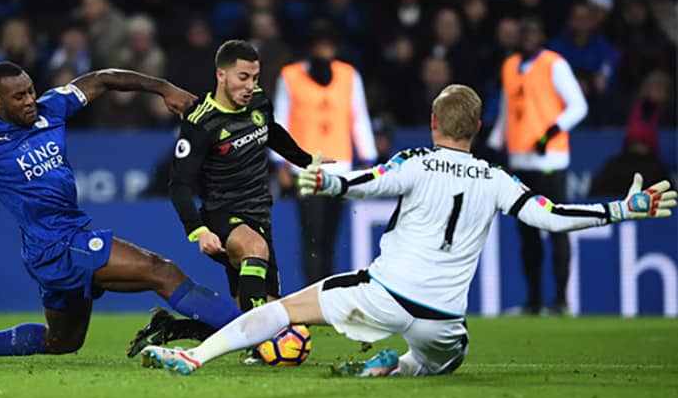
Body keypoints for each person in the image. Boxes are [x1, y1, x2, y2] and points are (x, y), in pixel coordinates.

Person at [137, 84, 676, 377]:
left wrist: (325, 180)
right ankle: (394, 368)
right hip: (444, 322)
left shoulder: (416, 162)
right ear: (478, 128)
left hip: (384, 297)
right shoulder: (497, 178)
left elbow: (364, 184)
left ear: (434, 123)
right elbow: (551, 216)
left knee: (281, 311)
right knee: (449, 356)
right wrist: (623, 209)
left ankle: (194, 357)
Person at [0, 61, 244, 363]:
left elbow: (103, 79)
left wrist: (164, 88)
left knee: (61, 341)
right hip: (59, 243)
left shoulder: (51, 108)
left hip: (52, 248)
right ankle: (257, 334)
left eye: (30, 91)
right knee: (164, 272)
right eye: (19, 97)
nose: (29, 101)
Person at [125, 40, 315, 359]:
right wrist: (199, 231)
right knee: (255, 249)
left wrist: (306, 161)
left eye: (255, 77)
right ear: (221, 75)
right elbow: (179, 185)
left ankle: (173, 328)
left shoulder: (258, 101)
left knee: (263, 315)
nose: (250, 85)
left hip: (260, 214)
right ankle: (259, 349)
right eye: (243, 77)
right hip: (221, 215)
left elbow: (272, 132)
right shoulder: (201, 122)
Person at [486, 16, 588, 315]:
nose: (527, 37)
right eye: (523, 32)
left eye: (533, 32)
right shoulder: (510, 65)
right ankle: (533, 301)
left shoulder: (554, 64)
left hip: (550, 161)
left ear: (542, 36)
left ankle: (561, 300)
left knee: (557, 227)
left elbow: (578, 106)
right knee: (527, 234)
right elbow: (507, 111)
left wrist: (551, 133)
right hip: (520, 161)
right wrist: (493, 144)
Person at [274, 21, 377, 286]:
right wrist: (280, 164)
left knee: (330, 237)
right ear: (310, 47)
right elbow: (280, 119)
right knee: (313, 235)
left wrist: (367, 159)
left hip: (341, 167)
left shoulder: (349, 75)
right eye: (320, 45)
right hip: (305, 168)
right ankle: (312, 291)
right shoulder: (290, 76)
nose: (324, 51)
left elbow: (359, 116)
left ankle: (326, 293)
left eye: (328, 45)